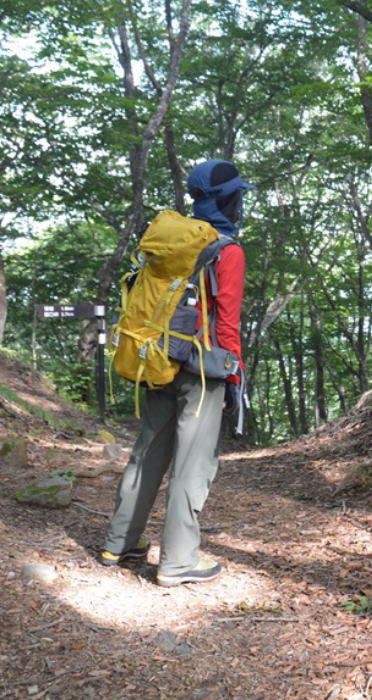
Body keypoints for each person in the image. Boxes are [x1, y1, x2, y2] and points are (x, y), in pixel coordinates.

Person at [96, 159, 252, 587]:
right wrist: (235, 376)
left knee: (149, 451)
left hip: (157, 359)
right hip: (202, 370)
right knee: (192, 464)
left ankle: (118, 542)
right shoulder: (226, 250)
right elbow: (226, 322)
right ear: (226, 200)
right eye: (238, 195)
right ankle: (179, 561)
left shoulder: (170, 240)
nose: (240, 203)